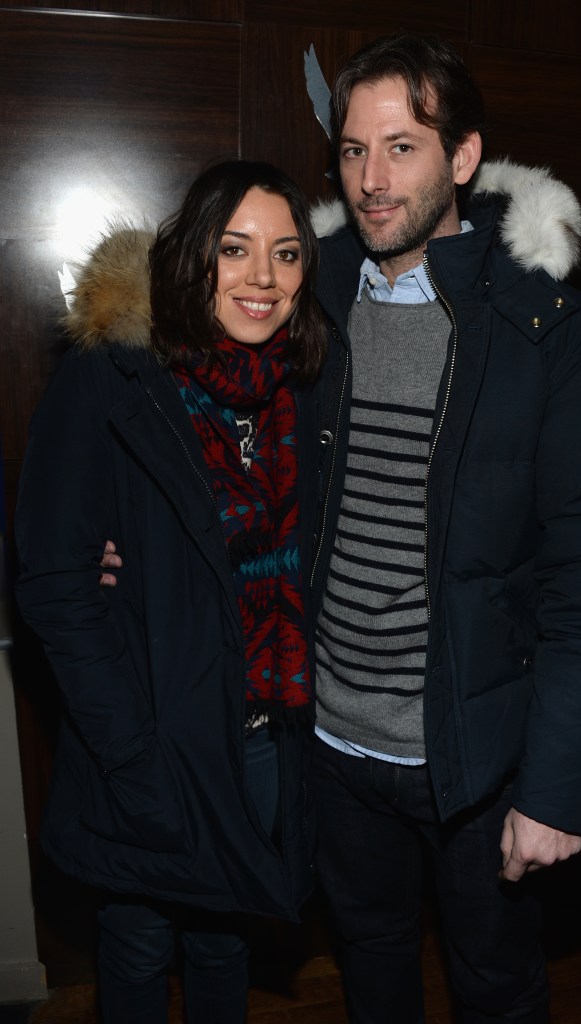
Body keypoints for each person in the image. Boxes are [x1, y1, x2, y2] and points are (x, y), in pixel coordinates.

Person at [305, 34, 581, 1024]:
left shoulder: (555, 334)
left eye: (401, 147)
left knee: (496, 988)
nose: (371, 180)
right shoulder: (306, 306)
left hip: (476, 761)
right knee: (369, 975)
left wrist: (555, 788)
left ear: (462, 157)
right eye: (351, 151)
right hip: (331, 750)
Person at [14, 160, 326, 1023]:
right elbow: (53, 585)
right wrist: (130, 752)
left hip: (265, 739)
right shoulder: (114, 383)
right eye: (237, 249)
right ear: (194, 257)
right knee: (143, 944)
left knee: (227, 940)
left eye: (288, 253)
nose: (264, 277)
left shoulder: (303, 394)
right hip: (150, 737)